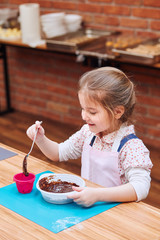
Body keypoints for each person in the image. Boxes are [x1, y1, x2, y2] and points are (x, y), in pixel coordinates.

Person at [26, 67, 153, 207]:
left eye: (92, 112)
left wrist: (97, 195)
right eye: (83, 108)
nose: (84, 116)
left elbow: (140, 188)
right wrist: (40, 139)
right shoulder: (87, 133)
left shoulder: (131, 147)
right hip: (88, 206)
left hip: (115, 212)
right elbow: (58, 153)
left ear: (117, 112)